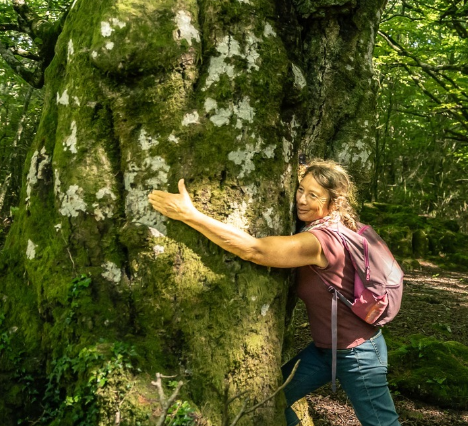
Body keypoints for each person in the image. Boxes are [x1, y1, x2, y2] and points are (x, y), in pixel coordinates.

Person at [148, 159, 400, 426]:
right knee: (270, 402)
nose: (301, 200)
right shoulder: (335, 225)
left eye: (312, 195)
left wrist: (190, 215)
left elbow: (254, 250)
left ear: (334, 203)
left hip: (358, 353)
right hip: (325, 350)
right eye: (300, 189)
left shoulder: (320, 240)